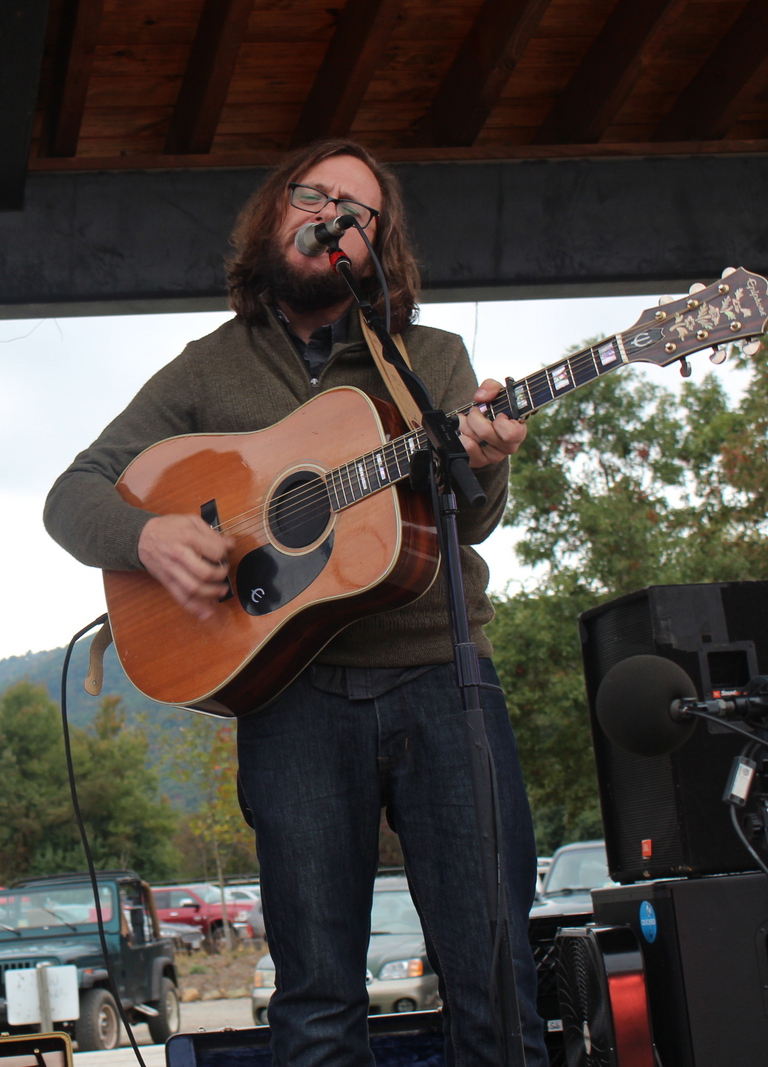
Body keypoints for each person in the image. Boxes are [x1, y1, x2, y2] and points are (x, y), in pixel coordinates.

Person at [43, 141, 547, 1067]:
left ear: (376, 246)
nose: (332, 214)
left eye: (358, 208)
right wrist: (145, 537)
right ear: (276, 213)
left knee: (495, 977)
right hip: (292, 695)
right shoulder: (206, 370)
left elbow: (470, 519)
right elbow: (73, 493)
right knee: (314, 999)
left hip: (442, 680)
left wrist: (489, 455)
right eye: (313, 194)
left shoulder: (428, 357)